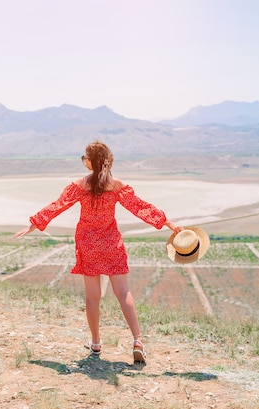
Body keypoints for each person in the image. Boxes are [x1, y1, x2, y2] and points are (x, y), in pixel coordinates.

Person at [13, 140, 183, 363]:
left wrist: (34, 224)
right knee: (123, 292)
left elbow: (57, 206)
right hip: (111, 242)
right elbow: (141, 207)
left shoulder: (79, 185)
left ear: (91, 162)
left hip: (87, 244)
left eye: (85, 158)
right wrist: (168, 223)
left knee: (93, 296)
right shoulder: (117, 185)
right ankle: (137, 340)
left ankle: (95, 344)